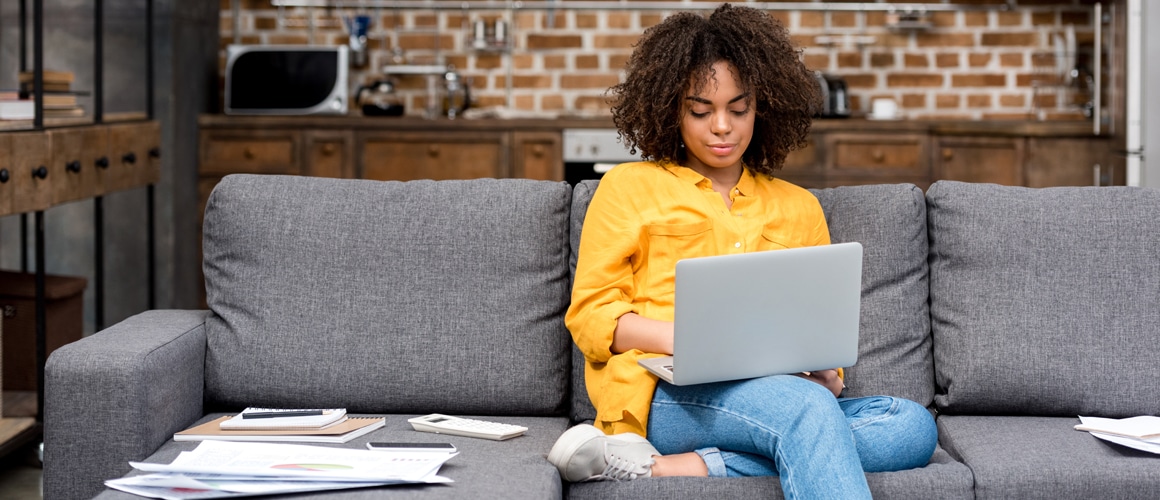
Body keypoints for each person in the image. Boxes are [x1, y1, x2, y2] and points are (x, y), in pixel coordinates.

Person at [546, 4, 938, 498]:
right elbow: (592, 316)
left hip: (780, 392)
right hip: (667, 393)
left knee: (909, 426)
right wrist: (693, 340)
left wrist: (824, 376)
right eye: (701, 110)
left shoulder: (798, 207)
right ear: (672, 108)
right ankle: (770, 430)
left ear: (763, 107)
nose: (722, 128)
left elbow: (821, 337)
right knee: (807, 412)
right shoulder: (628, 187)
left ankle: (667, 470)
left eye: (738, 108)